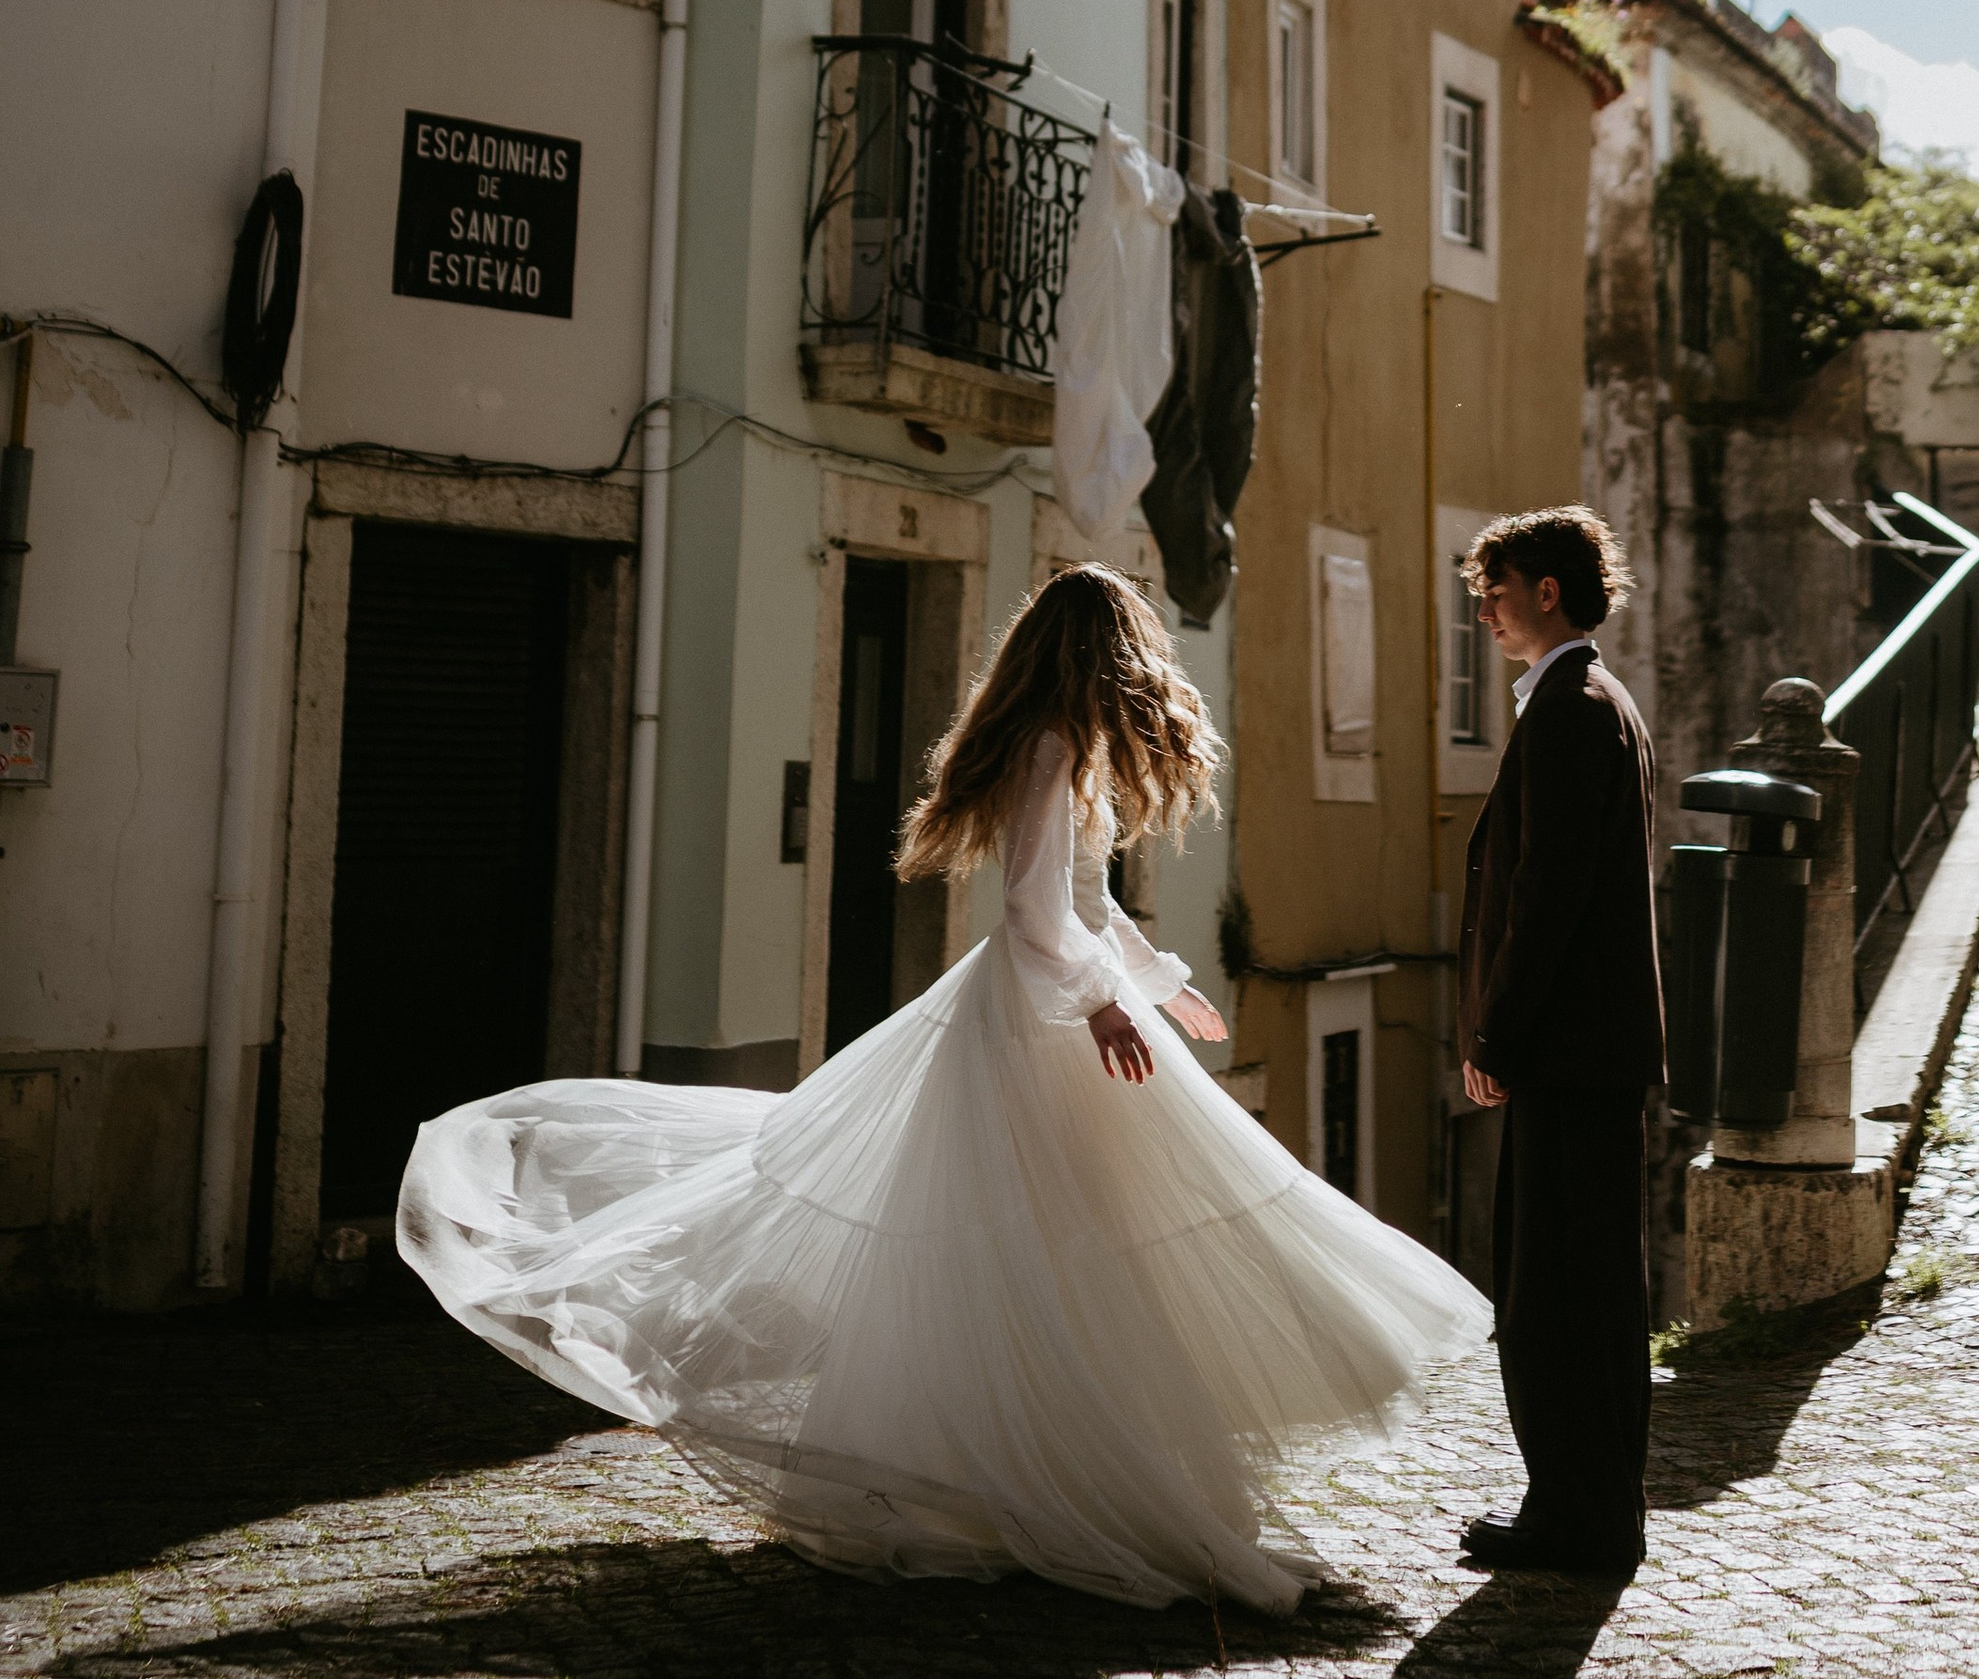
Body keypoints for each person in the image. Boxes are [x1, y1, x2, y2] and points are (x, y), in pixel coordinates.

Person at [399, 560, 1484, 1614]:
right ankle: (1039, 1482)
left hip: (1058, 1012)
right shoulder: (1054, 746)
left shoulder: (1073, 748)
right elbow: (1032, 912)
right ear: (1105, 652)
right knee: (1036, 1244)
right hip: (1033, 1025)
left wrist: (1161, 983)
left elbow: (1089, 902)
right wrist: (1106, 1001)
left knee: (1072, 1247)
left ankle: (1039, 1470)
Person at [1453, 506, 1664, 1578]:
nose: (1480, 605)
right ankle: (1583, 1504)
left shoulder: (1575, 708)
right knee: (1574, 1285)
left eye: (1496, 585)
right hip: (1585, 1052)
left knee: (1560, 1292)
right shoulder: (1583, 701)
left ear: (1546, 590)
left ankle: (1579, 1515)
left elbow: (1548, 895)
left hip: (1570, 1053)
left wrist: (1497, 1029)